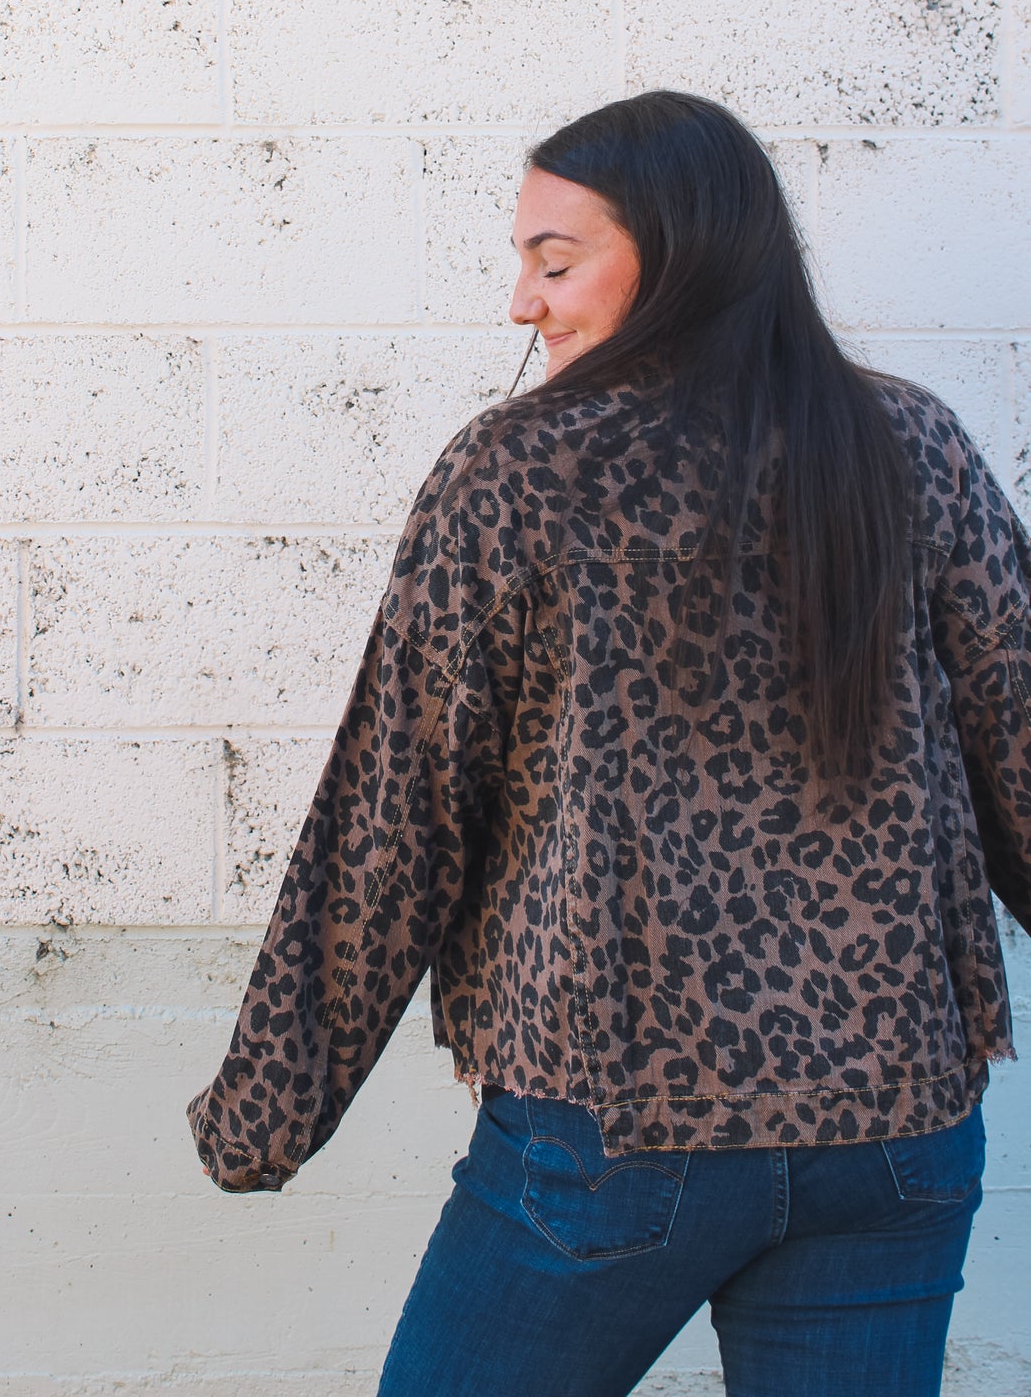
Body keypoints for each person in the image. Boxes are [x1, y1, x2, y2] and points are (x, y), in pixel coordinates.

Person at [187, 91, 1031, 1397]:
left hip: (621, 1134)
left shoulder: (516, 473)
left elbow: (393, 813)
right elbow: (1022, 746)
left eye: (554, 259)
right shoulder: (906, 442)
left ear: (680, 249)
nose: (521, 301)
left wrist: (265, 1115)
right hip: (895, 1132)